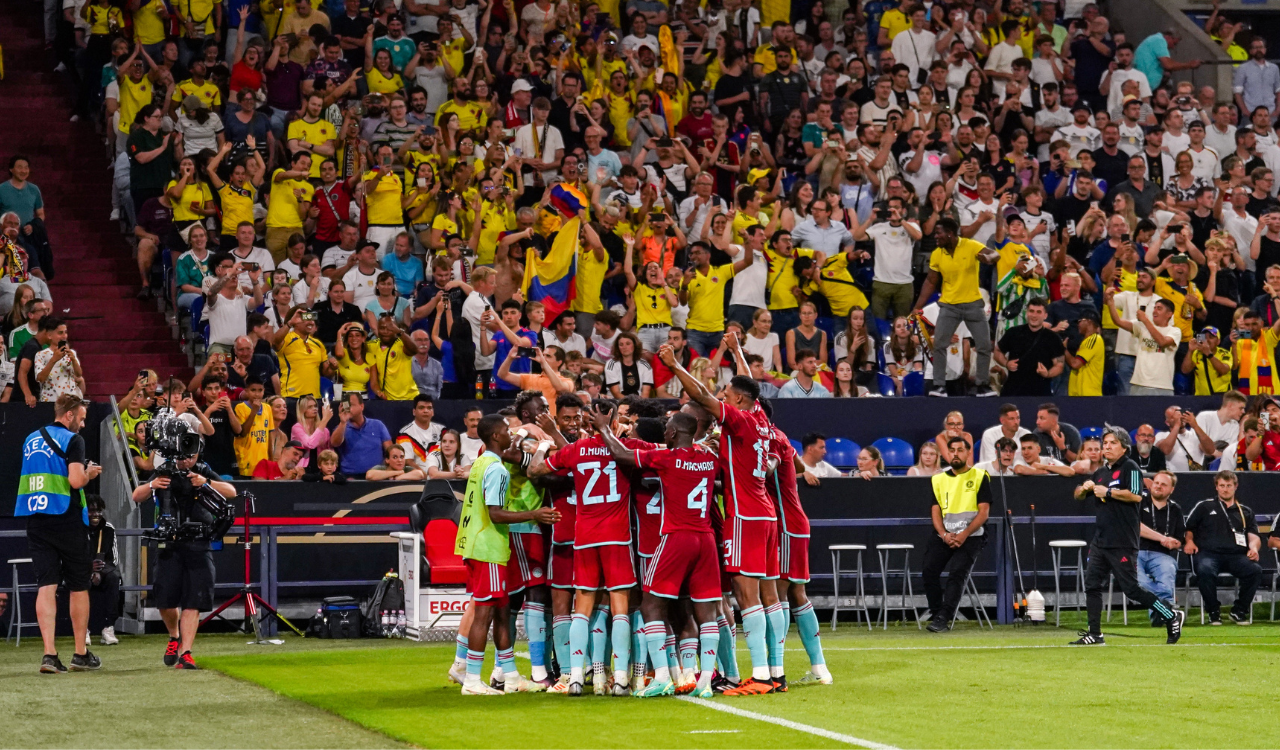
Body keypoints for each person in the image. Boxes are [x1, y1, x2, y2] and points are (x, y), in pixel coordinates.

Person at [656, 337, 783, 695]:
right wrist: (737, 352)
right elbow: (746, 383)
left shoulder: (740, 420)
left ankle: (759, 676)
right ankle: (775, 672)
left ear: (739, 401)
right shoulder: (760, 417)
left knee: (746, 596)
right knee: (764, 594)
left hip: (744, 514)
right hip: (766, 513)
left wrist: (676, 366)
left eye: (727, 393)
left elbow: (701, 397)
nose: (722, 396)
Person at [596, 409, 723, 698]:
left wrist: (605, 429)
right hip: (705, 538)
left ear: (674, 433)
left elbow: (620, 455)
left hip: (676, 536)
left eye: (668, 429)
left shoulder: (667, 458)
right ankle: (704, 682)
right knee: (706, 610)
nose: (665, 432)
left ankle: (663, 676)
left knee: (651, 604)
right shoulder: (708, 458)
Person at [454, 414, 558, 695]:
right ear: (496, 437)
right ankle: (473, 681)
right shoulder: (497, 469)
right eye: (506, 431)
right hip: (487, 546)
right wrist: (534, 514)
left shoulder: (481, 463)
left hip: (486, 546)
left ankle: (510, 676)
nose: (511, 435)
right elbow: (496, 513)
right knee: (485, 614)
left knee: (501, 611)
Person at [129, 436, 236, 669]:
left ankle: (186, 653)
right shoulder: (164, 470)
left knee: (193, 600)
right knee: (165, 601)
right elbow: (136, 496)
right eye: (186, 455)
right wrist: (151, 485)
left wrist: (205, 482)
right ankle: (174, 637)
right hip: (169, 542)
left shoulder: (202, 471)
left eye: (193, 456)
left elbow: (231, 491)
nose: (189, 460)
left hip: (199, 541)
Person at [1071, 429, 1184, 646]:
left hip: (1122, 540)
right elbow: (1077, 495)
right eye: (1105, 443)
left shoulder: (1130, 467)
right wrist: (1083, 488)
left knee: (1132, 589)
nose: (1107, 446)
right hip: (1101, 539)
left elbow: (1135, 495)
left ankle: (1170, 614)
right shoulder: (1101, 472)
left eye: (1112, 443)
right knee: (1092, 585)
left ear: (1124, 447)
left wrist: (1109, 493)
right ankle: (1095, 633)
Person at [16, 395, 103, 673]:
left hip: (36, 519)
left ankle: (49, 655)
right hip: (67, 518)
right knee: (79, 585)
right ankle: (80, 653)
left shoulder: (30, 439)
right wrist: (89, 473)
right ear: (69, 416)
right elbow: (76, 480)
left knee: (46, 585)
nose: (83, 422)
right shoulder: (73, 440)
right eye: (81, 417)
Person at [913, 217, 997, 397]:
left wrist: (987, 258)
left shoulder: (970, 245)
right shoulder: (937, 253)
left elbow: (994, 254)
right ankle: (939, 386)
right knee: (940, 344)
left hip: (973, 304)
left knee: (983, 345)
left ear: (950, 234)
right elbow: (930, 281)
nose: (935, 236)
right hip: (949, 305)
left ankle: (983, 385)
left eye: (938, 233)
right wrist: (917, 307)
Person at [922, 437, 990, 632]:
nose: (955, 454)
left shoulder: (979, 476)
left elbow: (983, 512)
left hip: (972, 534)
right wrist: (944, 534)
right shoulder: (938, 479)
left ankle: (944, 617)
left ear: (968, 453)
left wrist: (964, 534)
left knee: (957, 573)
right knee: (929, 570)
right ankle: (937, 614)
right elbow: (935, 511)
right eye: (952, 450)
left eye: (960, 450)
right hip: (945, 534)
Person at [1183, 469, 1263, 625]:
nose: (1225, 489)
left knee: (1255, 570)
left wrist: (1253, 548)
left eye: (1228, 485)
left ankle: (1239, 611)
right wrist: (1189, 541)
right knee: (1205, 570)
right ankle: (1213, 611)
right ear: (1216, 487)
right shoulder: (1204, 507)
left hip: (1236, 555)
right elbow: (1189, 529)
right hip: (1209, 554)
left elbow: (1253, 536)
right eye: (1222, 485)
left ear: (1235, 486)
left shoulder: (1245, 512)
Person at [1138, 471, 1185, 626]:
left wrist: (1174, 543)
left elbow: (1179, 540)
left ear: (1171, 490)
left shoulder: (1176, 509)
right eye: (1156, 483)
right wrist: (1162, 538)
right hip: (1135, 551)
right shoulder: (1138, 502)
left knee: (1167, 572)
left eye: (1163, 484)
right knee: (1139, 583)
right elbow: (1135, 527)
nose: (1158, 486)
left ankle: (1160, 617)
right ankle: (1167, 610)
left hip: (1161, 554)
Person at [84, 495, 120, 646]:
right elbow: (70, 557)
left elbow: (114, 560)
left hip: (102, 570)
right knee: (81, 582)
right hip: (80, 570)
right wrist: (88, 569)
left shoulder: (108, 529)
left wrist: (100, 571)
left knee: (114, 577)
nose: (96, 514)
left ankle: (108, 628)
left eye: (98, 511)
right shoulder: (77, 528)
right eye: (92, 511)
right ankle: (83, 630)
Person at [330, 392, 393, 476]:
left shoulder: (377, 425)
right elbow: (334, 443)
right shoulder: (341, 427)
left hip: (377, 476)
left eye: (351, 405)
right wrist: (343, 422)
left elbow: (390, 450)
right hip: (351, 477)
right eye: (346, 405)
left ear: (361, 406)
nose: (348, 408)